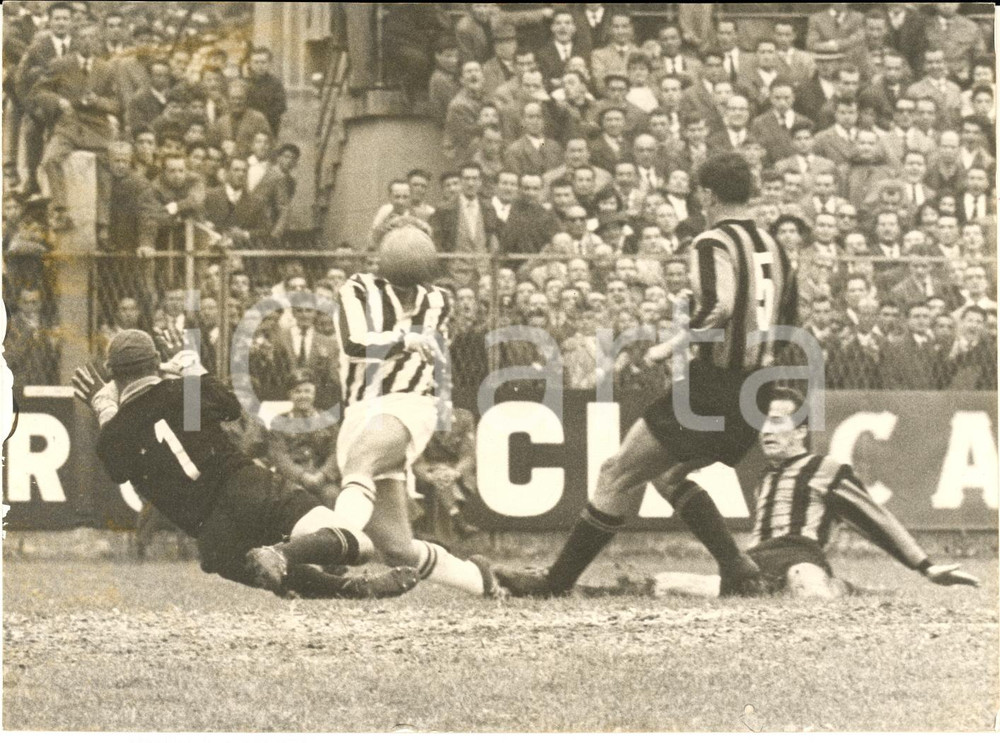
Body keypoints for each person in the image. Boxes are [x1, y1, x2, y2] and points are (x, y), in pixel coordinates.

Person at [496, 152, 797, 598]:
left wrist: (671, 343)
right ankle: (738, 567)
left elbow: (720, 305)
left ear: (706, 195)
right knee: (666, 475)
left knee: (615, 472)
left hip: (714, 386)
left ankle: (554, 584)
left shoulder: (712, 242)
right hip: (759, 385)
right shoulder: (776, 247)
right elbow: (791, 322)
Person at [71, 330, 417, 599]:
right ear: (156, 361)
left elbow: (116, 462)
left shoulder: (117, 431)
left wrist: (105, 407)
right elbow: (230, 408)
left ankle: (348, 590)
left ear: (113, 375)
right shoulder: (182, 393)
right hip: (245, 488)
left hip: (211, 532)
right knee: (357, 543)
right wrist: (193, 367)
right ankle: (283, 553)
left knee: (272, 576)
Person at [653, 387, 980, 598]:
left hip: (800, 557)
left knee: (808, 590)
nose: (767, 430)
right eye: (763, 423)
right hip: (751, 566)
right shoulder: (765, 480)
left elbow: (876, 519)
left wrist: (925, 566)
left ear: (800, 432)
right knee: (667, 584)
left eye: (778, 422)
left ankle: (845, 589)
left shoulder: (827, 469)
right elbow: (668, 479)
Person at [329, 216, 504, 598]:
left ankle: (326, 551)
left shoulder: (439, 299)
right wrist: (404, 339)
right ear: (381, 252)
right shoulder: (357, 289)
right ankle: (482, 581)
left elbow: (438, 356)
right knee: (398, 550)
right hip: (361, 409)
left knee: (360, 465)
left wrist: (443, 404)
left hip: (410, 404)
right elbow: (354, 345)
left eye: (421, 239)